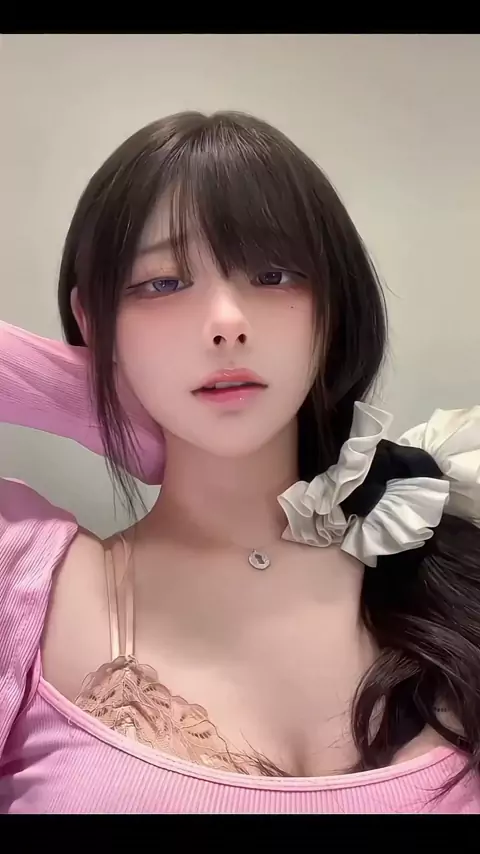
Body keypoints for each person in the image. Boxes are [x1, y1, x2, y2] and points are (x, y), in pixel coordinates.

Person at [0, 111, 479, 814]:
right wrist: (93, 398)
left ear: (333, 308)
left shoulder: (450, 560)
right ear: (97, 321)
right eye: (162, 283)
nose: (227, 321)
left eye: (272, 274)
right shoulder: (27, 577)